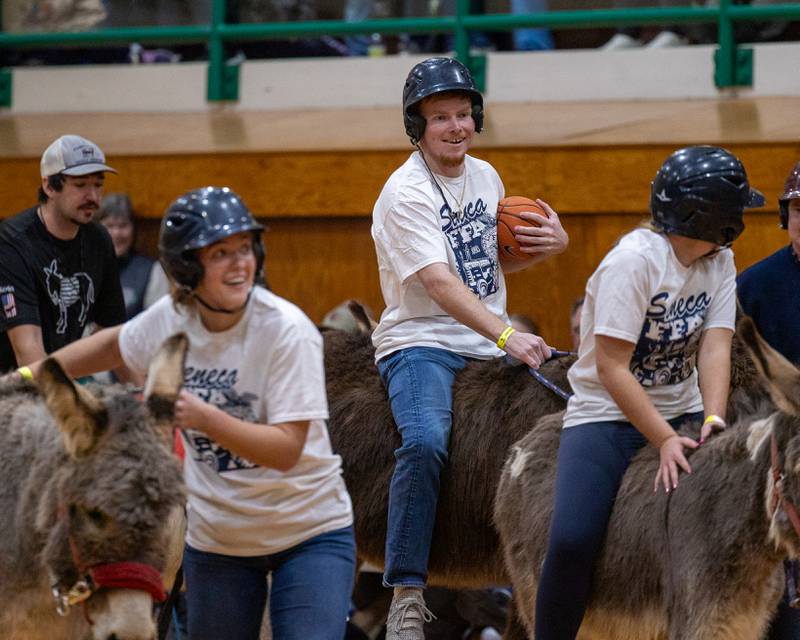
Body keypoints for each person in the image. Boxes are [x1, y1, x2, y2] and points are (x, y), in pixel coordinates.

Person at [14, 186, 357, 640]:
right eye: (220, 253)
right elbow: (113, 344)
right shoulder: (172, 317)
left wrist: (205, 417)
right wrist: (24, 377)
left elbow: (288, 449)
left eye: (245, 249)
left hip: (308, 534)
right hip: (219, 543)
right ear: (187, 267)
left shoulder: (287, 330)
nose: (240, 263)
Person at [371, 56, 568, 639]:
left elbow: (485, 261)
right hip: (420, 342)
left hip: (485, 338)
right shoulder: (403, 192)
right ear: (418, 127)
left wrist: (552, 246)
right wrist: (507, 335)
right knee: (427, 441)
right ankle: (406, 590)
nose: (455, 126)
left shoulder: (486, 176)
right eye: (440, 118)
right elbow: (437, 281)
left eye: (462, 114)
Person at [533, 145, 765, 640]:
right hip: (605, 416)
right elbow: (613, 368)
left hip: (686, 409)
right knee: (573, 539)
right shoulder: (633, 263)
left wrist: (713, 420)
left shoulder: (719, 262)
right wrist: (662, 439)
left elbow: (715, 345)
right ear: (715, 217)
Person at [737, 160, 800, 640]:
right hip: (771, 444)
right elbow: (735, 373)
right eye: (799, 211)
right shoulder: (753, 286)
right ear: (785, 219)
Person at [0, 134, 126, 373]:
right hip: (11, 387)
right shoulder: (12, 243)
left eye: (98, 185)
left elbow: (113, 338)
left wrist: (142, 395)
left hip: (55, 379)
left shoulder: (99, 239)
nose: (93, 197)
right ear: (49, 186)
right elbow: (28, 353)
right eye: (80, 185)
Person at [95, 193, 169, 320]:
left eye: (123, 225)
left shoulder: (152, 271)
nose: (117, 233)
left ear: (134, 230)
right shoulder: (81, 267)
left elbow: (158, 324)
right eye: (110, 226)